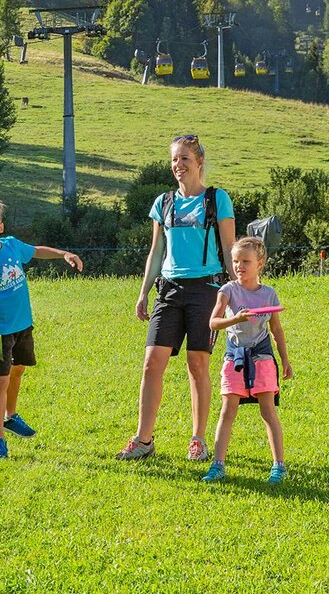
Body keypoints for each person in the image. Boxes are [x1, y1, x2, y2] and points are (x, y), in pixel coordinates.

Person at [116, 134, 235, 462]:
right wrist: (143, 291)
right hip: (168, 290)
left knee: (197, 364)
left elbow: (229, 248)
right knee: (152, 361)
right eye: (174, 160)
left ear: (199, 162)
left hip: (206, 290)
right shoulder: (163, 203)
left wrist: (240, 291)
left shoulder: (217, 199)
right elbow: (156, 252)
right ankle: (143, 440)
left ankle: (197, 439)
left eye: (185, 159)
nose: (178, 165)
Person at [0, 198, 84, 459]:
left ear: (0, 227)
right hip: (2, 331)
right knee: (0, 380)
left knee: (19, 370)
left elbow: (37, 251)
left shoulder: (12, 246)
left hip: (24, 326)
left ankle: (11, 416)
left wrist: (64, 254)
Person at [202, 236, 293, 484]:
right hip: (235, 357)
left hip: (262, 357)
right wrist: (236, 319)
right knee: (227, 410)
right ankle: (218, 465)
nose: (239, 266)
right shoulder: (228, 291)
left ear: (260, 263)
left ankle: (279, 466)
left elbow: (276, 330)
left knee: (268, 411)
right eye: (235, 261)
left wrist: (285, 360)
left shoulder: (269, 294)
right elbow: (213, 322)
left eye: (246, 261)